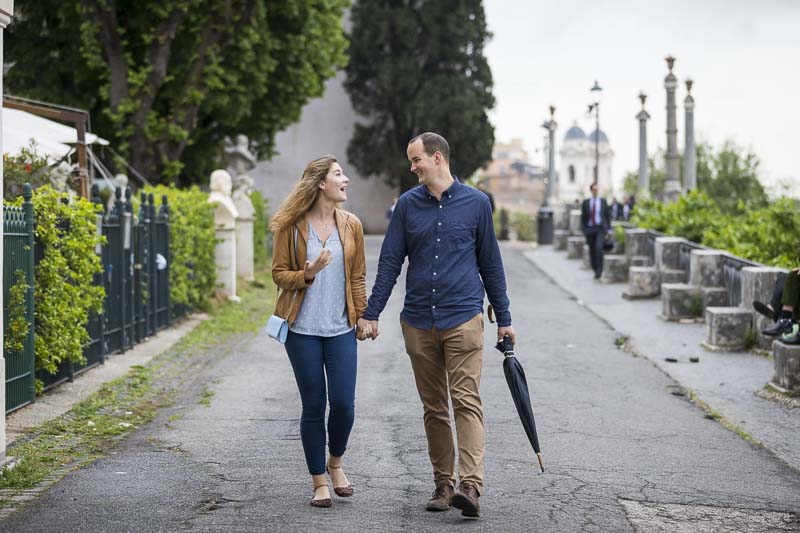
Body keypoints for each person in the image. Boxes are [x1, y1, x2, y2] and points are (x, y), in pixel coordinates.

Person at [360, 132, 515, 519]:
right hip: (418, 321)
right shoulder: (407, 207)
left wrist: (505, 318)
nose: (412, 167)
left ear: (438, 158)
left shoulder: (477, 204)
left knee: (465, 401)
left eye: (416, 160)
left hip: (463, 317)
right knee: (434, 408)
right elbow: (391, 263)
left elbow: (490, 264)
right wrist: (372, 312)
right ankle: (443, 484)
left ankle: (471, 487)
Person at [270, 155, 370, 508]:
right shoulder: (291, 226)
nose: (346, 180)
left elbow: (357, 275)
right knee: (314, 404)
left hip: (340, 327)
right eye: (339, 174)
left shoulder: (351, 225)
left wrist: (363, 315)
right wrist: (308, 272)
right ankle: (318, 482)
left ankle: (336, 463)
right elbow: (279, 273)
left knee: (343, 403)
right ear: (320, 184)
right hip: (302, 329)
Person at [581, 182, 612, 279]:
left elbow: (607, 216)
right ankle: (595, 270)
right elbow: (583, 218)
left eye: (597, 189)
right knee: (592, 250)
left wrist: (609, 230)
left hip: (600, 228)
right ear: (591, 191)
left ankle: (600, 270)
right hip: (590, 229)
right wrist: (584, 230)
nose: (596, 191)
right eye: (594, 189)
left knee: (599, 248)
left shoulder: (603, 201)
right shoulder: (586, 202)